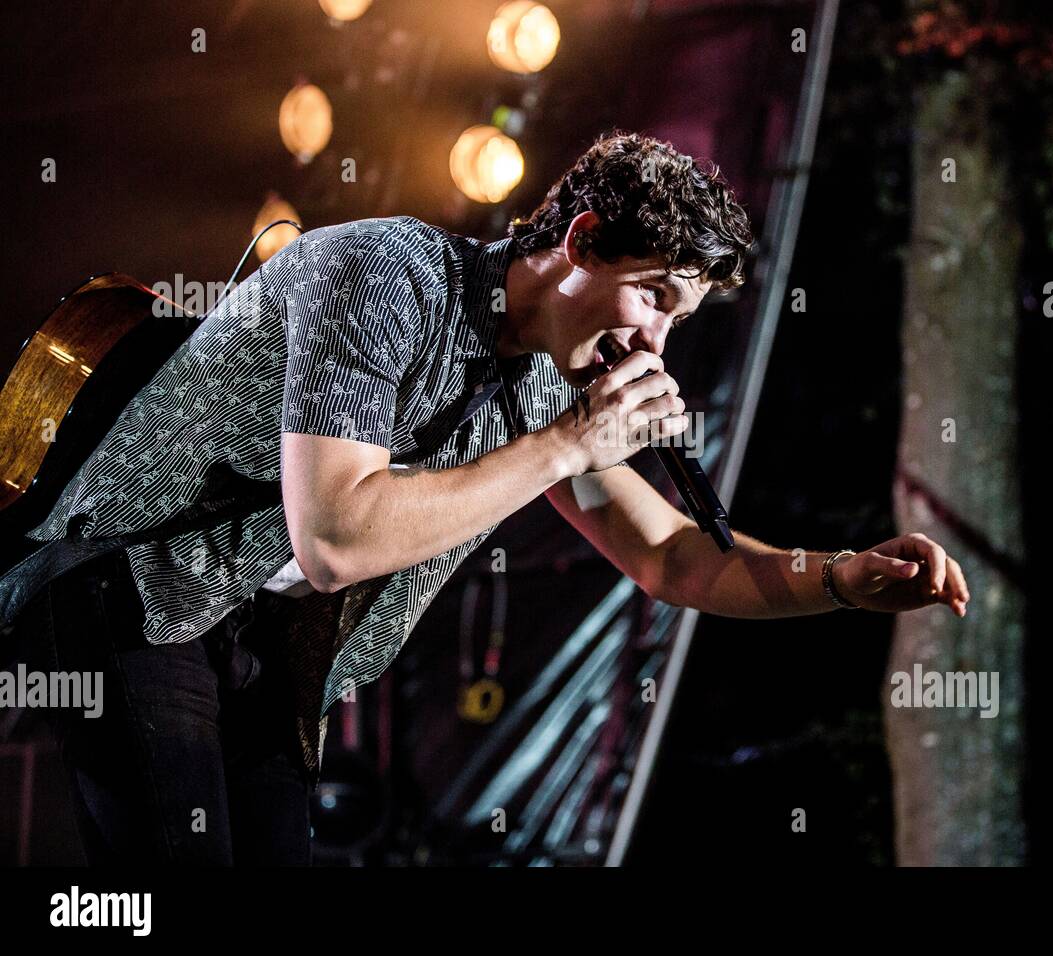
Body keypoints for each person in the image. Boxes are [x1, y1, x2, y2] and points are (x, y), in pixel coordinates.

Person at [19, 130, 969, 865]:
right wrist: (565, 447)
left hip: (266, 646)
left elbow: (675, 557)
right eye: (655, 300)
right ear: (582, 242)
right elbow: (337, 538)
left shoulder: (548, 387)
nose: (656, 348)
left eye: (676, 320)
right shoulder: (387, 277)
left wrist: (841, 579)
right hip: (137, 583)